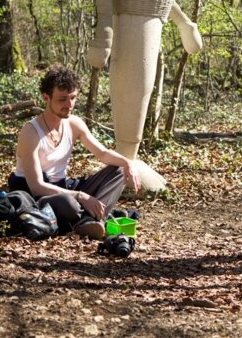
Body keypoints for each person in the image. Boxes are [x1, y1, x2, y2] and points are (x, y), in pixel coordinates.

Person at [8, 66, 142, 239]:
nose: (69, 105)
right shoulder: (30, 133)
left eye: (73, 98)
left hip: (64, 186)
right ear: (46, 98)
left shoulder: (74, 124)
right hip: (39, 196)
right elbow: (36, 187)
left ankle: (89, 222)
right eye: (62, 99)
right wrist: (81, 196)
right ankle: (88, 219)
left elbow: (102, 153)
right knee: (69, 203)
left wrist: (127, 163)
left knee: (118, 169)